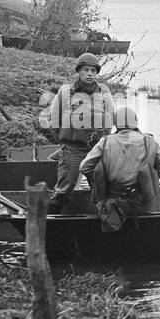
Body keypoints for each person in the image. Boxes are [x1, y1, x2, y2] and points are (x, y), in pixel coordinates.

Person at [39, 52, 115, 213]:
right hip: (72, 149)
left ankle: (107, 221)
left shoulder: (104, 92)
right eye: (86, 70)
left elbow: (110, 119)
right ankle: (51, 219)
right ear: (79, 71)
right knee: (64, 189)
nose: (89, 74)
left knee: (102, 189)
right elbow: (54, 118)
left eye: (93, 71)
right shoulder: (66, 92)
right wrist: (63, 138)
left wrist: (102, 140)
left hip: (96, 150)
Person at [79, 104, 160, 231]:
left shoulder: (105, 141)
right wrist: (148, 180)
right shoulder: (149, 141)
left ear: (116, 123)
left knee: (99, 169)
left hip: (111, 206)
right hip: (142, 205)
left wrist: (101, 182)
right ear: (135, 122)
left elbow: (84, 167)